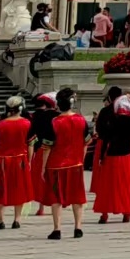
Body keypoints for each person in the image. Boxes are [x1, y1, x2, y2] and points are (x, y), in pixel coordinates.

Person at [40, 88, 90, 240]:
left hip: (56, 164)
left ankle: (57, 228)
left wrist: (43, 167)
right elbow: (86, 142)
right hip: (75, 163)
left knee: (56, 197)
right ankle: (78, 227)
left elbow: (47, 147)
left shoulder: (54, 122)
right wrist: (81, 157)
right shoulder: (81, 120)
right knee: (77, 196)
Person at [92, 93, 130, 224]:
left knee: (108, 185)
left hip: (112, 154)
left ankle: (104, 214)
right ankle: (127, 212)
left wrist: (102, 155)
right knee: (126, 184)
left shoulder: (113, 120)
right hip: (127, 154)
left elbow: (105, 138)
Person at [0, 94, 34, 230]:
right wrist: (29, 160)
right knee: (19, 189)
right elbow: (30, 144)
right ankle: (17, 219)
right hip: (20, 159)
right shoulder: (27, 123)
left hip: (2, 160)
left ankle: (1, 220)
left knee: (1, 189)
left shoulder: (0, 125)